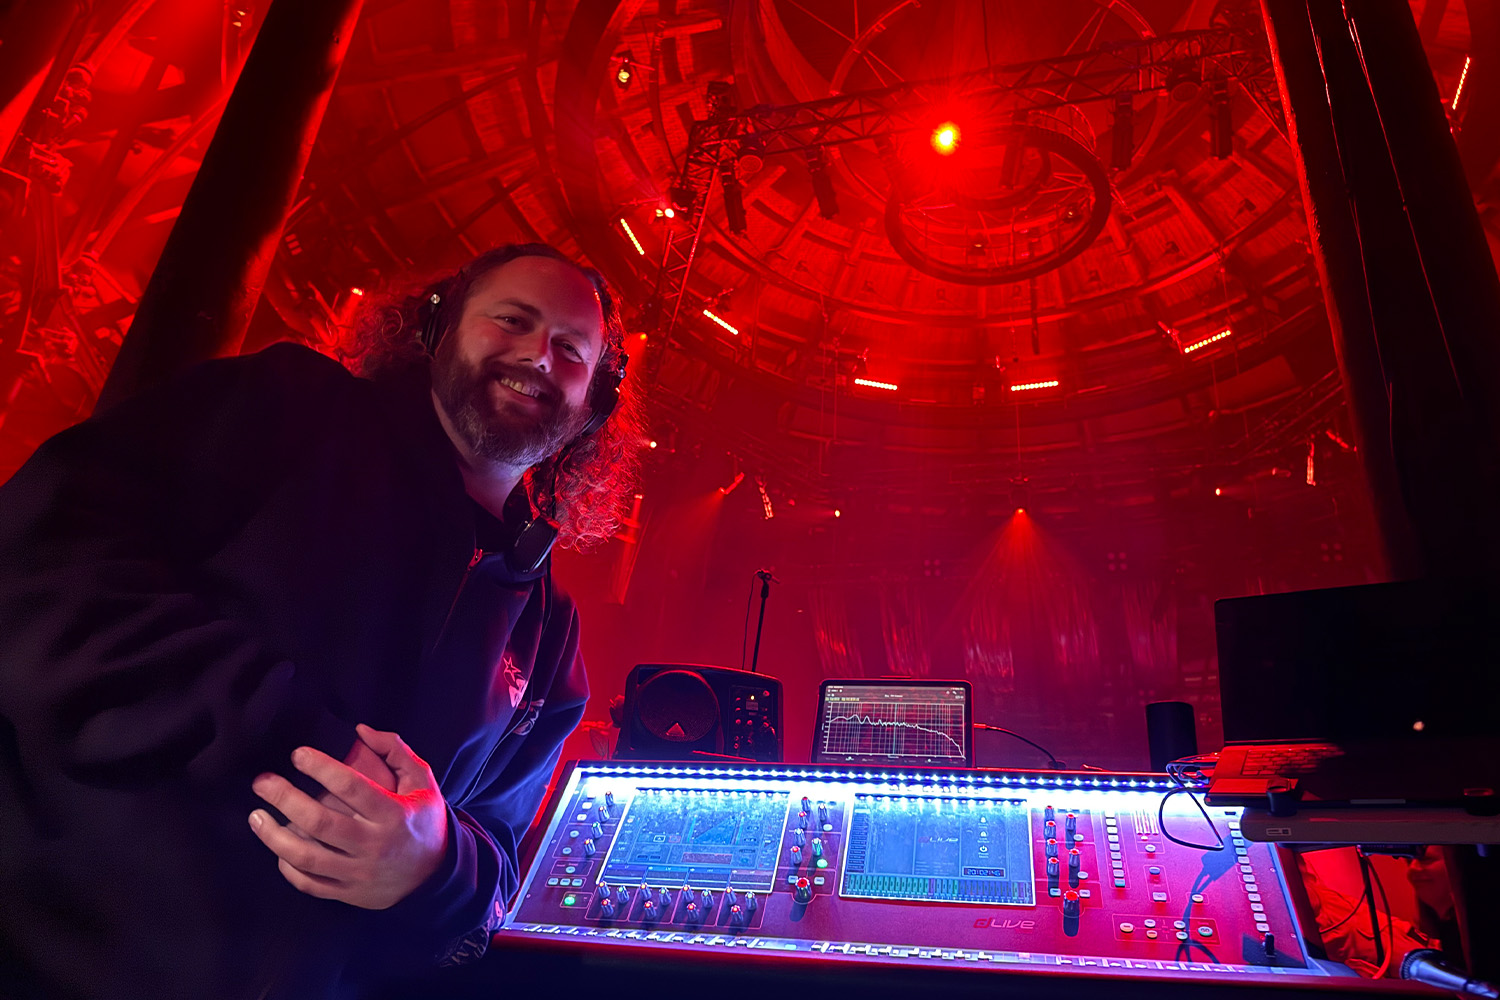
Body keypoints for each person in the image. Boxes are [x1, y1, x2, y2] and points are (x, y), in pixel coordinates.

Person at [0, 243, 641, 998]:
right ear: (436, 327)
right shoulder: (286, 407)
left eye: (571, 349)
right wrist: (313, 748)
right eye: (512, 320)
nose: (538, 356)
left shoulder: (551, 632)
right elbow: (40, 563)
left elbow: (498, 862)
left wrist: (435, 867)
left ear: (595, 399)